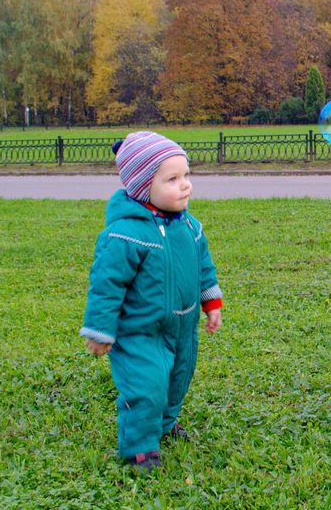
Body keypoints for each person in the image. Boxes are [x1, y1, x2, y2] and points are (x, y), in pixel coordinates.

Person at [80, 131, 223, 471]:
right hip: (140, 332)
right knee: (146, 387)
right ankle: (140, 448)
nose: (185, 185)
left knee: (177, 379)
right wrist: (100, 331)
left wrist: (210, 300)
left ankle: (164, 423)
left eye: (186, 175)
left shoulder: (190, 226)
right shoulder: (125, 234)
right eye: (172, 179)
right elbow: (106, 284)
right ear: (144, 187)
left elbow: (203, 265)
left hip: (182, 327)